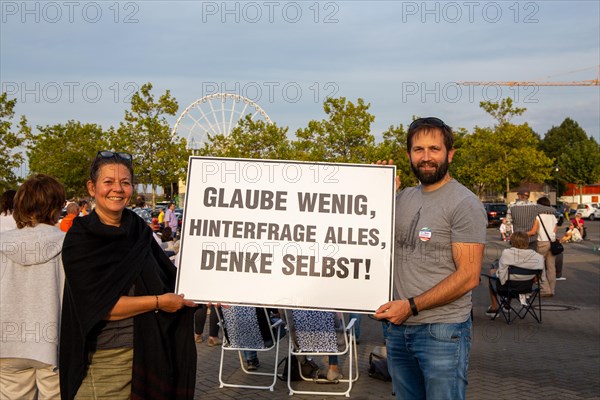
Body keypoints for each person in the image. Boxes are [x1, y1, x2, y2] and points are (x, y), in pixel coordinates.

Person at [59, 150, 197, 400]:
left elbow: (171, 279)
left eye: (125, 182)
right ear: (92, 188)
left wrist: (209, 291)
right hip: (106, 361)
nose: (117, 189)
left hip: (149, 352)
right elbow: (100, 307)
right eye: (108, 182)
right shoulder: (80, 239)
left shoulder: (139, 231)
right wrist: (158, 302)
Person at [373, 117, 487, 400]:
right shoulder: (401, 199)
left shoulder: (464, 203)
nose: (426, 157)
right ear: (408, 155)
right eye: (418, 149)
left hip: (441, 331)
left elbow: (469, 276)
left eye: (434, 149)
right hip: (398, 330)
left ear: (450, 154)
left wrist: (411, 306)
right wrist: (377, 190)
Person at [0, 174, 66, 399]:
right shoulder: (67, 243)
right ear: (56, 207)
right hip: (52, 340)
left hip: (6, 344)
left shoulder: (1, 243)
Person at [484, 231, 545, 316]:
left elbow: (501, 275)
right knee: (512, 277)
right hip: (526, 288)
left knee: (493, 273)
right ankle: (507, 304)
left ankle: (494, 307)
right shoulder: (538, 257)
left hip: (506, 288)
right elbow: (540, 277)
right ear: (527, 241)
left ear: (512, 241)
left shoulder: (507, 253)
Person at [527, 197, 558, 297]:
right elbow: (554, 231)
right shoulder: (553, 216)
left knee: (540, 266)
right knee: (551, 267)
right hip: (552, 243)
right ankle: (552, 290)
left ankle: (545, 289)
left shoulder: (538, 216)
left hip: (541, 243)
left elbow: (534, 231)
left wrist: (522, 234)